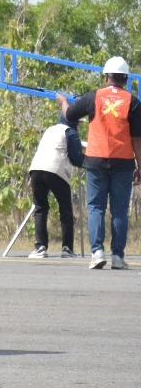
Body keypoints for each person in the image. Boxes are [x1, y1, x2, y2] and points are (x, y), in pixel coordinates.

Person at [58, 56, 141, 270]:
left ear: (106, 77)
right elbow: (137, 140)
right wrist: (140, 166)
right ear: (125, 79)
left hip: (95, 160)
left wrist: (63, 102)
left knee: (96, 207)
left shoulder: (93, 97)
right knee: (120, 210)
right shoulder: (133, 102)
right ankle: (117, 256)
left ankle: (97, 252)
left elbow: (69, 115)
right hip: (123, 162)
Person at [26, 114, 85, 258]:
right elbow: (76, 158)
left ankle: (40, 247)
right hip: (55, 170)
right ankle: (67, 248)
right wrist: (92, 160)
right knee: (65, 209)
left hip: (35, 169)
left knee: (40, 208)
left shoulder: (50, 130)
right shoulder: (70, 132)